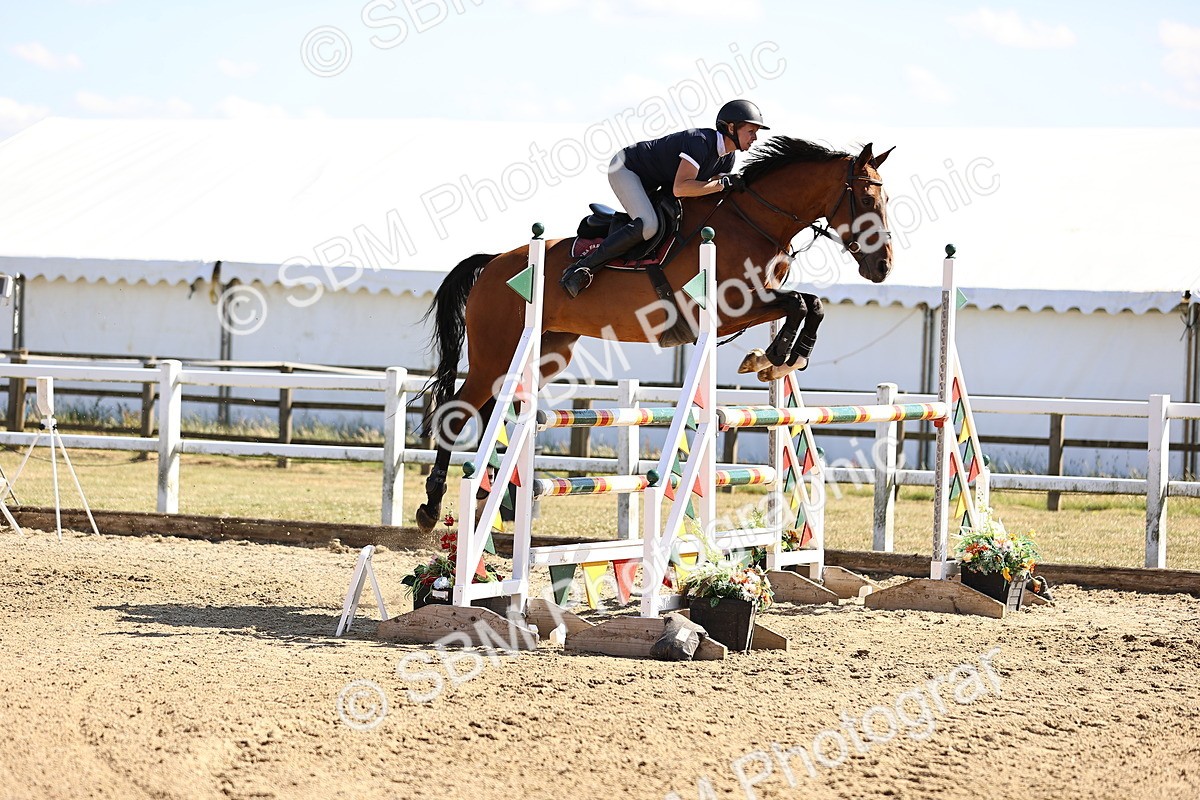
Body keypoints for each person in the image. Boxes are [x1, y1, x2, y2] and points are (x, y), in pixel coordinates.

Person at [560, 99, 769, 298]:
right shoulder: (701, 142)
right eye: (751, 131)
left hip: (655, 181)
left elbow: (706, 188)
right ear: (731, 128)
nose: (754, 138)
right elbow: (681, 188)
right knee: (649, 225)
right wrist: (722, 183)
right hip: (627, 168)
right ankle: (581, 269)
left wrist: (728, 182)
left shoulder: (727, 158)